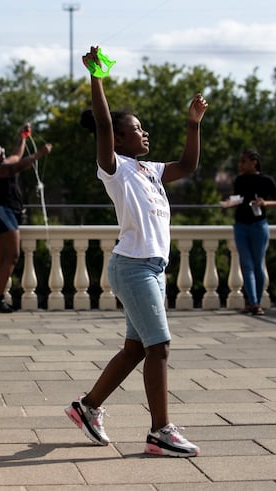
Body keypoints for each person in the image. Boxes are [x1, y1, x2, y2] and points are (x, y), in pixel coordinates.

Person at [64, 45, 208, 457]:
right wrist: (96, 78)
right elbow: (104, 125)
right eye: (138, 129)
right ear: (120, 138)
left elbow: (188, 165)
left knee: (135, 349)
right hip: (132, 268)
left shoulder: (151, 170)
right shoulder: (115, 168)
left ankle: (88, 407)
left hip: (152, 267)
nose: (144, 134)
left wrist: (192, 123)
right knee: (158, 347)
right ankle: (160, 431)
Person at [0, 124, 52, 313]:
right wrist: (39, 154)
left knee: (3, 258)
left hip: (3, 213)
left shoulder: (1, 164)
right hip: (4, 212)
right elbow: (19, 165)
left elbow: (16, 156)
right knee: (12, 256)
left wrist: (23, 137)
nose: (2, 149)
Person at [229, 148, 276, 316]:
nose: (241, 164)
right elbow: (238, 199)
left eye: (244, 161)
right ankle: (252, 302)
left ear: (254, 162)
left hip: (259, 225)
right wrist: (229, 203)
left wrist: (264, 203)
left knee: (257, 264)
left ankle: (256, 301)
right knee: (246, 264)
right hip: (240, 225)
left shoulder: (266, 180)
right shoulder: (239, 180)